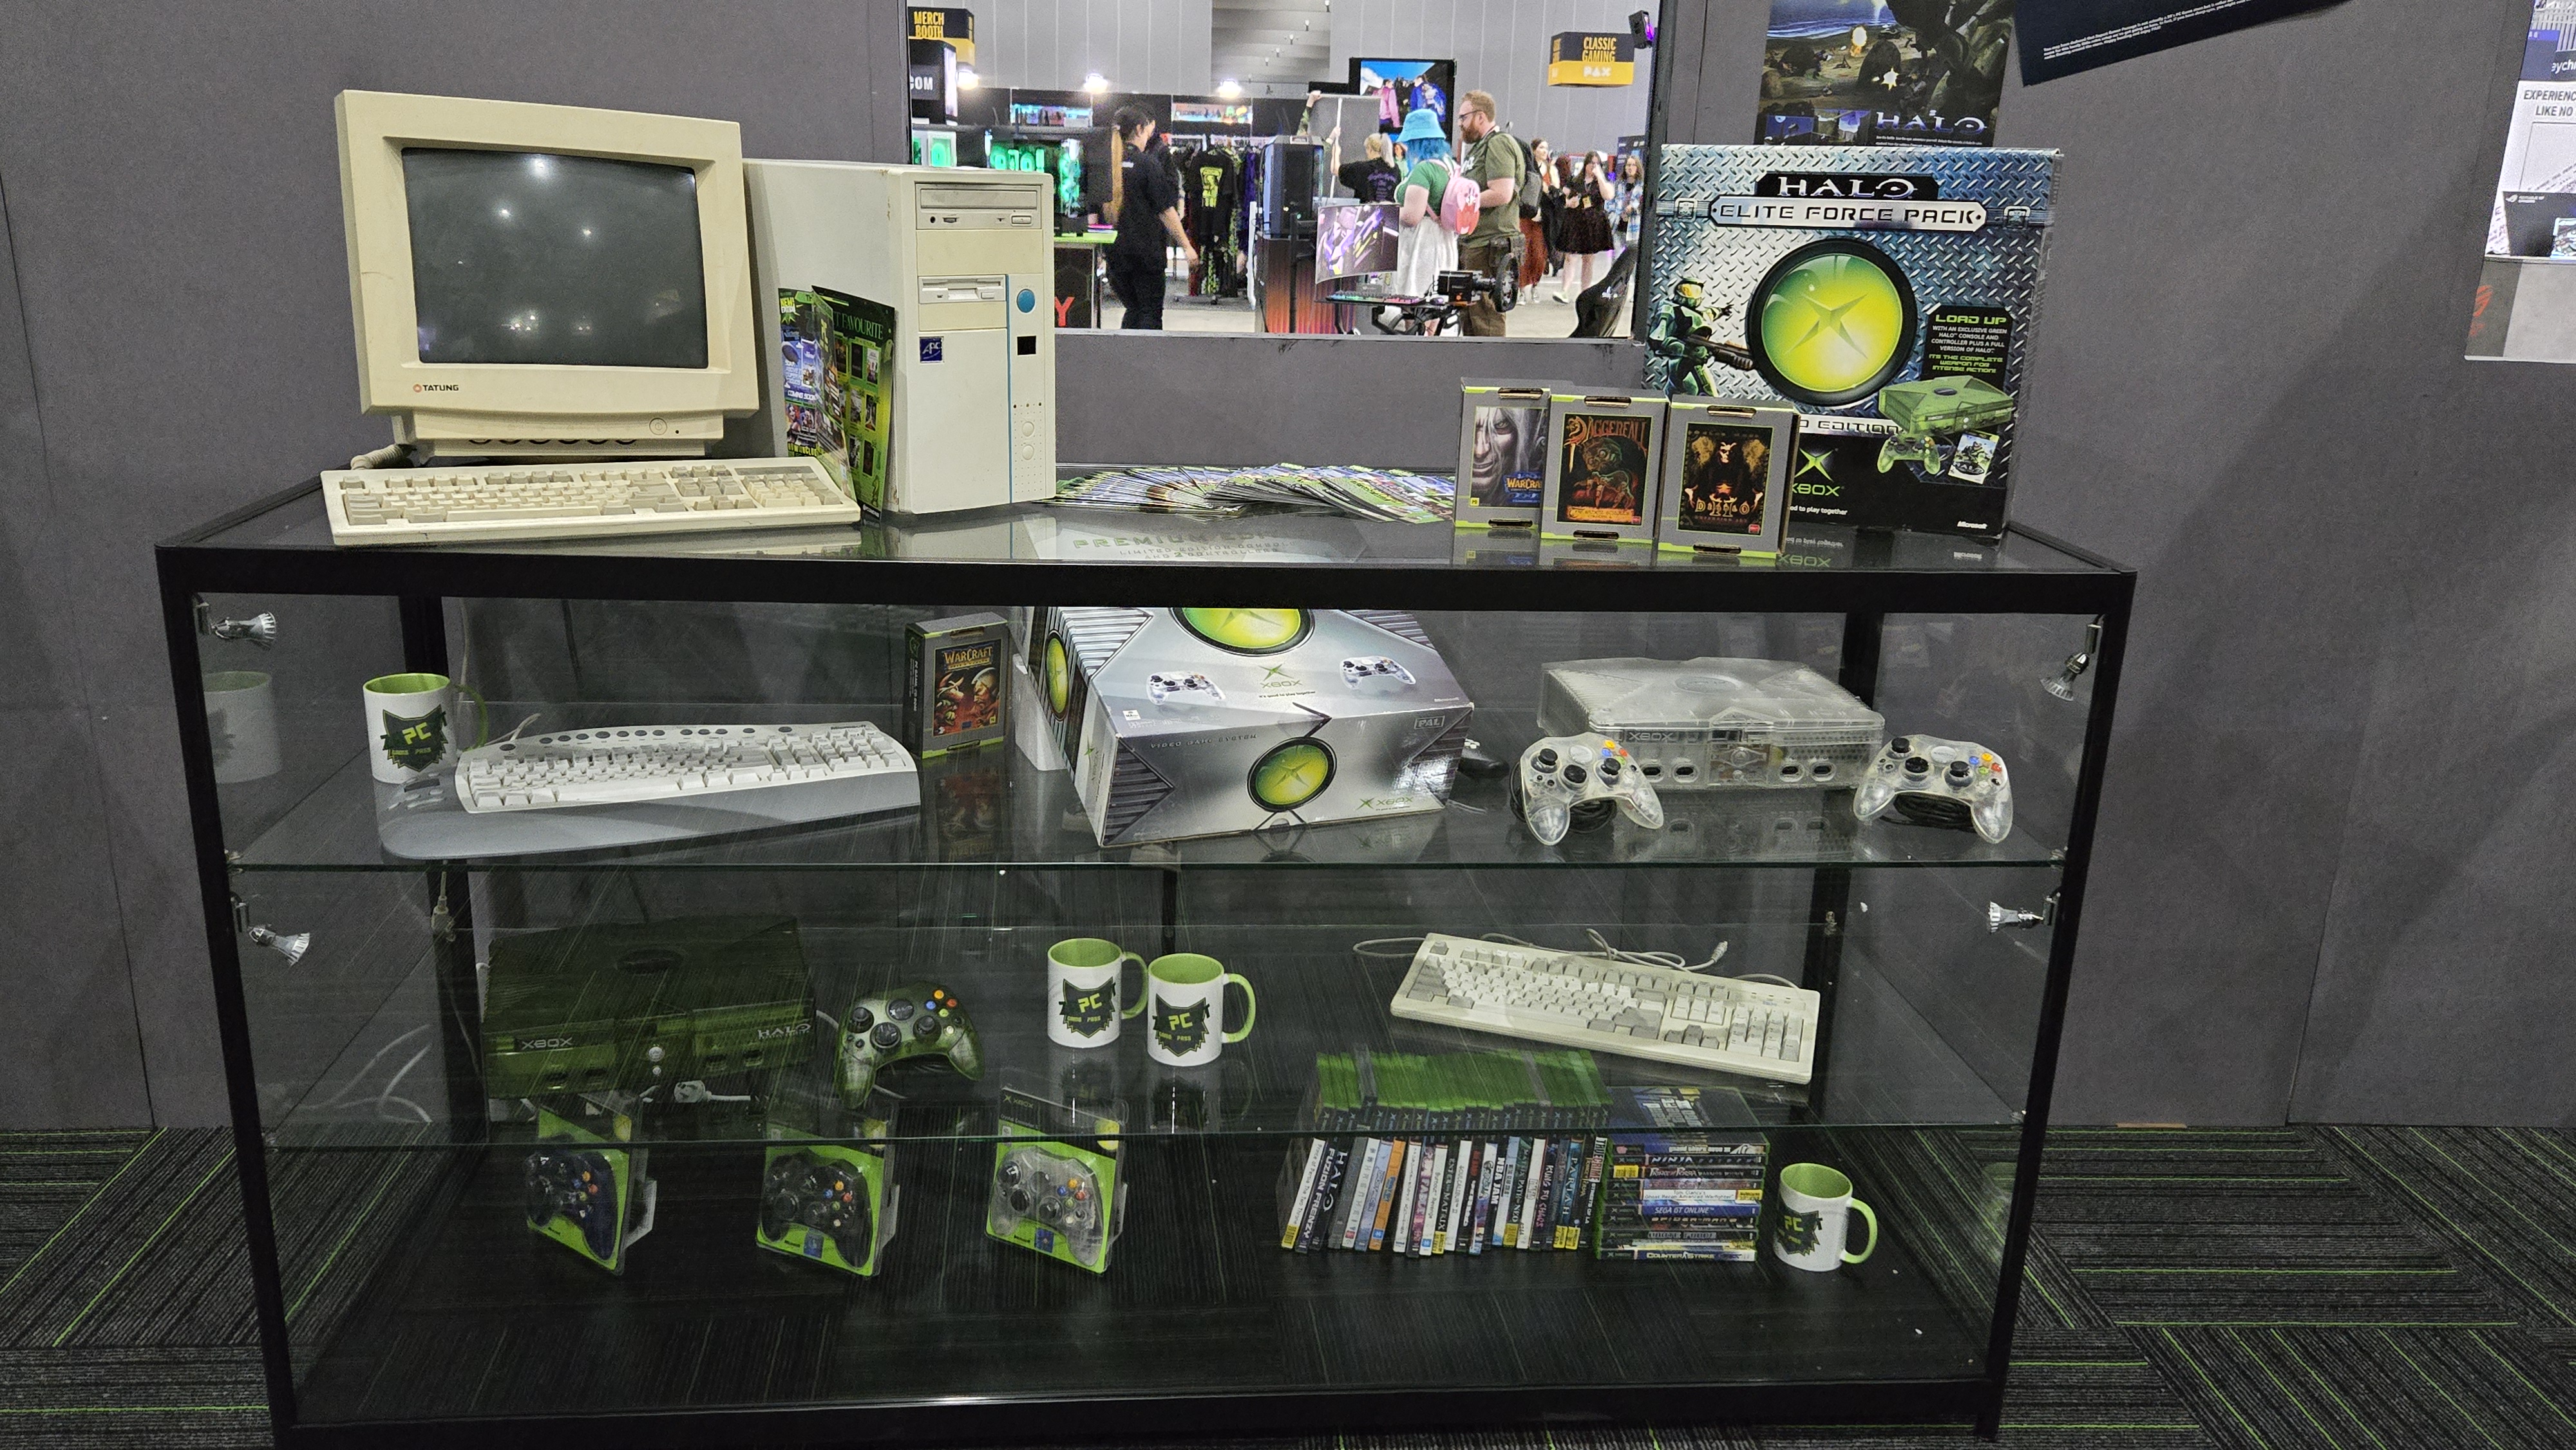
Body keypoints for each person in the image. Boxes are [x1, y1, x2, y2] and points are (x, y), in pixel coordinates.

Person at [1106, 106, 1196, 330]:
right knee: (1149, 312)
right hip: (1146, 255)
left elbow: (1094, 213)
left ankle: (1127, 360)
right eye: (1147, 131)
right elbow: (1166, 211)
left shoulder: (1108, 166)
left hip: (1116, 255)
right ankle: (1147, 363)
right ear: (1139, 129)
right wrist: (1187, 247)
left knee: (1133, 309)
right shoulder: (1148, 164)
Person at [1454, 89, 1524, 337]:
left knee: (1487, 319)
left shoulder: (1499, 143)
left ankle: (1491, 373)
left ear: (1480, 116)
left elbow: (1502, 192)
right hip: (1476, 242)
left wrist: (1462, 202)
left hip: (1489, 244)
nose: (1460, 123)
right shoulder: (1480, 147)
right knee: (1472, 317)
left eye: (1463, 117)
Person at [1388, 107, 1459, 306]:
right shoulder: (1450, 166)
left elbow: (1412, 217)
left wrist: (1388, 211)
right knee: (1437, 303)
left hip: (1422, 245)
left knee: (1415, 299)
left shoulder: (1424, 170)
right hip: (1445, 239)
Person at [1556, 151, 1616, 306]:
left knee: (1588, 259)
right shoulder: (1575, 181)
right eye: (1591, 163)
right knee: (1570, 257)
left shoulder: (1602, 182)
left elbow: (1608, 195)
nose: (1593, 166)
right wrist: (1570, 203)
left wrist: (1600, 176)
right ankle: (1564, 291)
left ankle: (1584, 294)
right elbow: (1562, 198)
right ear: (1585, 164)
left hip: (1593, 224)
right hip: (1576, 222)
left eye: (1597, 163)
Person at [1517, 138, 1551, 292]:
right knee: (1523, 252)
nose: (1545, 151)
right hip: (1525, 216)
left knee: (1538, 255)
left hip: (1541, 218)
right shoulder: (1526, 168)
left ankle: (1535, 285)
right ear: (1534, 150)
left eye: (1546, 148)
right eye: (1541, 147)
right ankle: (1522, 288)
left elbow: (1554, 192)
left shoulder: (1551, 170)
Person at [1334, 129, 1401, 203]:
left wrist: (1336, 153)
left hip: (1367, 213)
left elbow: (1336, 170)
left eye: (1366, 149)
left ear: (1370, 149)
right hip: (1389, 213)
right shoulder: (1395, 169)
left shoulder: (1361, 169)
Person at [1613, 151, 1645, 258]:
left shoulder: (1643, 186)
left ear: (1638, 167)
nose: (1630, 167)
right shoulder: (1619, 184)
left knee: (1632, 260)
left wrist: (1632, 211)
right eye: (1628, 165)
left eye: (1633, 165)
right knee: (1617, 259)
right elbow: (1611, 203)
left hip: (1634, 228)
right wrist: (1619, 212)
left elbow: (1644, 208)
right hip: (1618, 227)